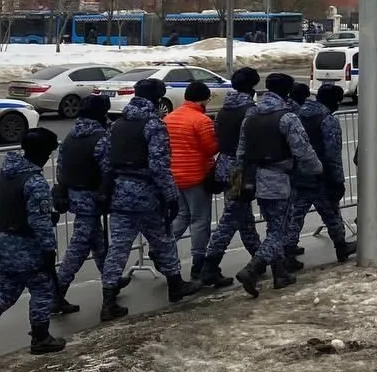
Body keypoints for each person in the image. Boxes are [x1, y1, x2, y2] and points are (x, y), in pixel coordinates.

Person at [97, 78, 201, 321]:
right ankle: (176, 285)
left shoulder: (118, 124)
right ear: (156, 98)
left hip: (121, 194)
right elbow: (159, 166)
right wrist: (171, 195)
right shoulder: (153, 125)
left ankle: (108, 300)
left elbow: (107, 161)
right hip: (147, 194)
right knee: (163, 240)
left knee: (118, 249)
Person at [0, 129, 66, 358]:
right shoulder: (34, 181)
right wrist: (49, 248)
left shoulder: (3, 177)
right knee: (42, 291)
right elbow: (39, 221)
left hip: (5, 242)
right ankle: (41, 337)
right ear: (43, 153)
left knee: (6, 291)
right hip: (28, 245)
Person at [232, 73, 323, 297]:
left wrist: (239, 178)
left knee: (273, 225)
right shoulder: (287, 117)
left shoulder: (251, 115)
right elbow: (303, 150)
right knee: (278, 231)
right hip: (280, 178)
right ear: (287, 91)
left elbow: (241, 151)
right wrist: (317, 170)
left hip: (256, 178)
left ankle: (280, 272)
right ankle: (253, 268)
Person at [53, 94, 119, 315]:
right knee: (78, 248)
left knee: (98, 243)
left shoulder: (72, 135)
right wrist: (107, 194)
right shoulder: (101, 137)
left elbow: (61, 168)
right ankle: (57, 292)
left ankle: (112, 280)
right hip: (93, 197)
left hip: (76, 194)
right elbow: (108, 170)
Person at [199, 69, 264, 288]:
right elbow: (252, 142)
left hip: (225, 166)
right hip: (241, 169)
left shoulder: (225, 109)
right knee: (230, 218)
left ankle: (260, 257)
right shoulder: (250, 111)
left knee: (242, 217)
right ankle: (209, 264)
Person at [287, 84, 355, 264]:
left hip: (299, 173)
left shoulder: (298, 115)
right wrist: (338, 181)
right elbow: (333, 154)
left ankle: (288, 251)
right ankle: (341, 246)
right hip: (321, 175)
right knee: (331, 213)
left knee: (296, 214)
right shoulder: (328, 119)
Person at [166, 81, 219, 280]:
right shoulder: (201, 120)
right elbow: (211, 149)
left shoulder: (170, 117)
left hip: (174, 175)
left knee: (182, 215)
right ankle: (198, 262)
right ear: (204, 98)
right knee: (199, 220)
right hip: (196, 175)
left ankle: (163, 248)